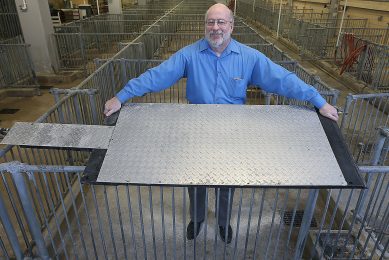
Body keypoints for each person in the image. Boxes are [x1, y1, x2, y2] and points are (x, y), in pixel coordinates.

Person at [104, 3, 339, 244]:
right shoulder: (189, 55)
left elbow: (282, 78)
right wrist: (121, 96)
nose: (215, 28)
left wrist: (318, 101)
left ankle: (223, 221)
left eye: (221, 22)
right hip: (196, 130)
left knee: (227, 181)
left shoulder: (248, 57)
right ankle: (197, 218)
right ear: (205, 25)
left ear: (231, 26)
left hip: (231, 133)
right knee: (194, 179)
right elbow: (158, 75)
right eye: (210, 22)